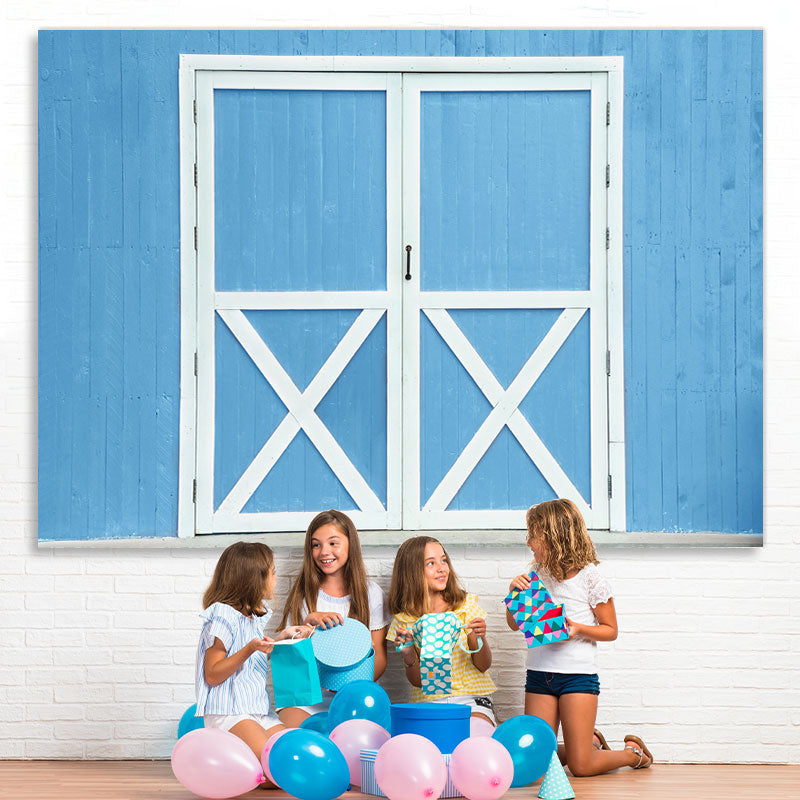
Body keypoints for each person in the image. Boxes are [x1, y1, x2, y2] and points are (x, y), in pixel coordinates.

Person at [507, 498, 653, 776]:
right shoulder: (536, 574)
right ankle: (590, 744)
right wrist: (514, 592)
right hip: (539, 675)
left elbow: (610, 630)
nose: (528, 542)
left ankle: (633, 755)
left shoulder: (590, 578)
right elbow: (515, 625)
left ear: (553, 538)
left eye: (533, 536)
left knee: (580, 766)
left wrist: (577, 628)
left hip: (577, 677)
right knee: (536, 759)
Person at [195, 541, 313, 783]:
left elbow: (251, 660)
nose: (276, 578)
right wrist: (250, 648)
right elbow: (213, 674)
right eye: (272, 572)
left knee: (294, 759)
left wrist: (281, 639)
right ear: (253, 578)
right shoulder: (223, 615)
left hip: (258, 710)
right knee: (274, 774)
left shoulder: (252, 617)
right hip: (230, 712)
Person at [277, 509, 390, 726]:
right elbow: (290, 661)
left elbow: (379, 658)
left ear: (350, 545)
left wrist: (347, 686)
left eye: (333, 543)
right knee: (294, 736)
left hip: (353, 695)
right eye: (316, 544)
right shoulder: (304, 594)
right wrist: (306, 628)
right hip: (306, 697)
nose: (323, 552)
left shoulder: (370, 593)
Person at [387, 536, 497, 726]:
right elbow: (417, 682)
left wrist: (479, 637)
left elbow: (483, 665)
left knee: (475, 737)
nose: (442, 568)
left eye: (443, 560)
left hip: (471, 700)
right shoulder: (405, 620)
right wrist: (408, 655)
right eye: (431, 563)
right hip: (429, 702)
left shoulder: (465, 606)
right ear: (412, 572)